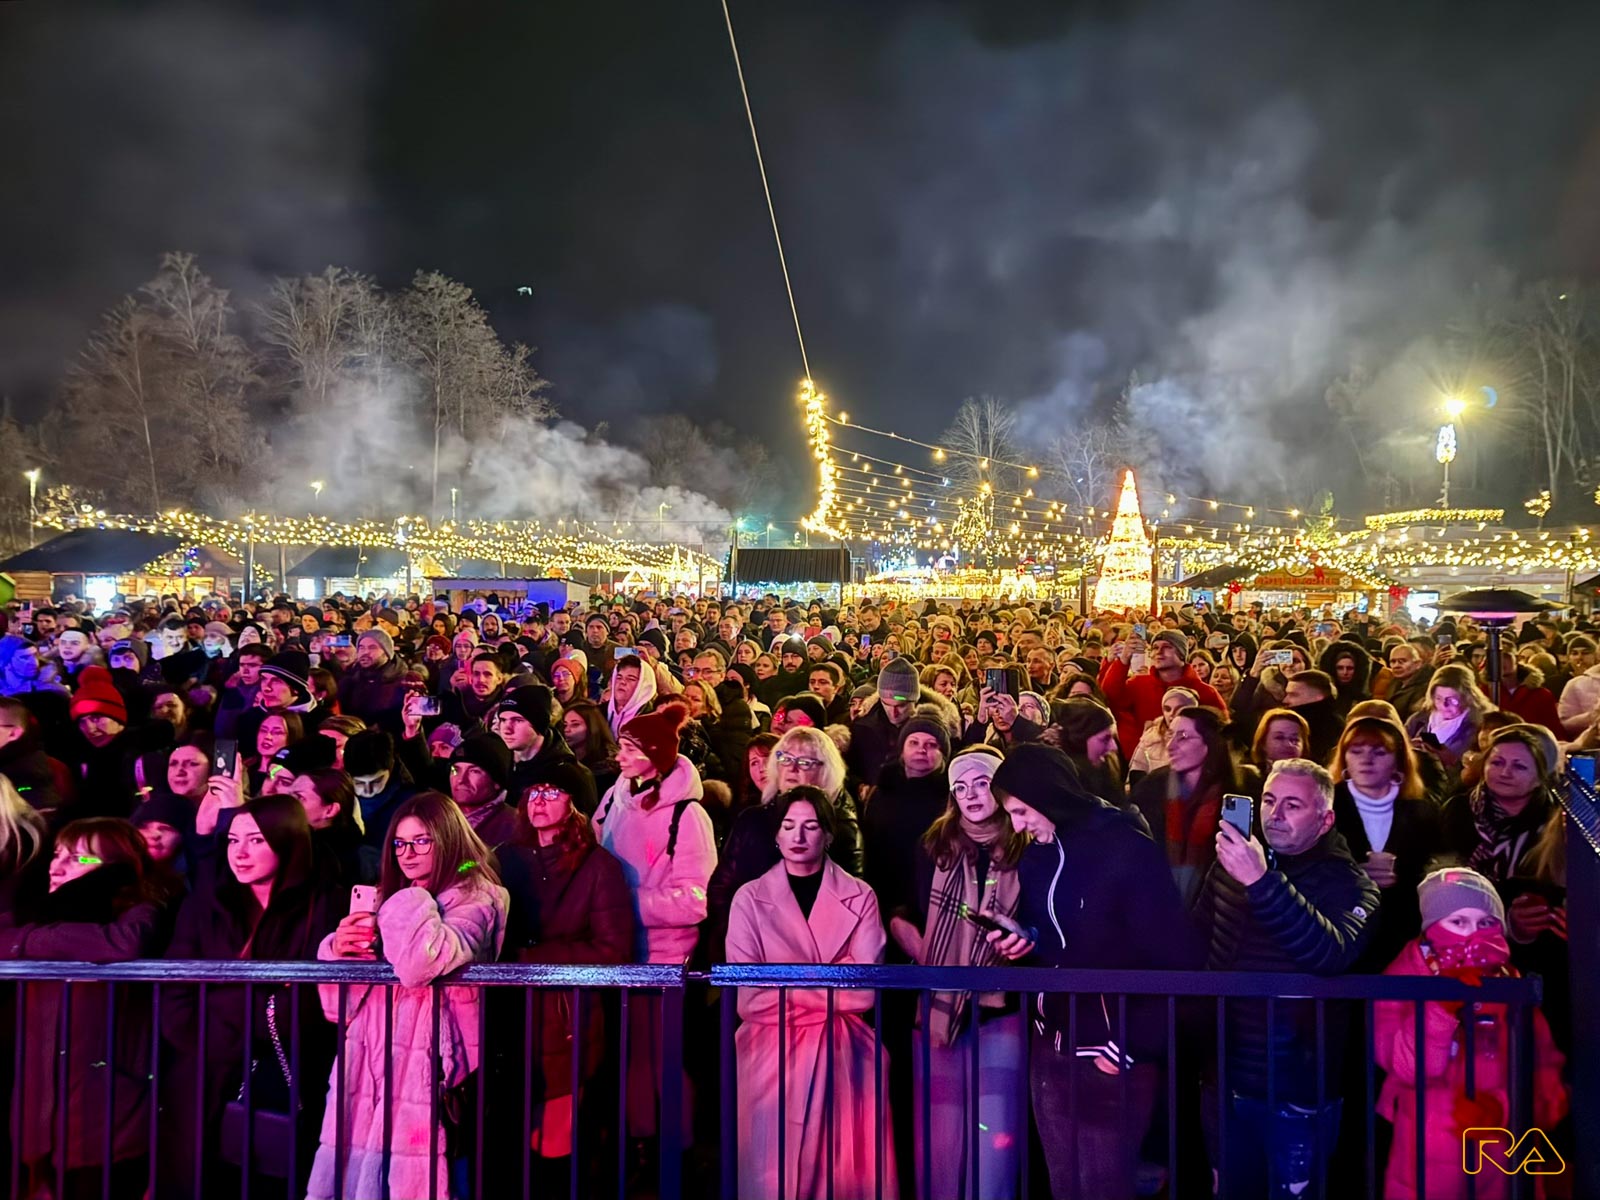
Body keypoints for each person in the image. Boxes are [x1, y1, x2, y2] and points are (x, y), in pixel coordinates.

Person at [989, 744, 1202, 1200]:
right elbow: (1055, 939)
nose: (1018, 825)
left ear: (1048, 795)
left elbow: (1177, 957)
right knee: (1065, 1185)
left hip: (1111, 1049)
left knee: (1103, 1187)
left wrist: (1129, 1045)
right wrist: (1024, 939)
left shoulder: (1124, 848)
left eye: (1022, 811)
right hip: (1052, 1046)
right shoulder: (1037, 858)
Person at [1193, 759, 1379, 1200]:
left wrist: (1261, 881)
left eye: (1292, 805)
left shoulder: (1351, 884)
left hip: (1297, 1087)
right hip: (1223, 1074)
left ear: (1325, 820)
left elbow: (1331, 953)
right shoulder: (1231, 864)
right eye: (1269, 800)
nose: (1274, 814)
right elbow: (1196, 940)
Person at [310, 792, 509, 1200]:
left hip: (428, 1072)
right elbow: (336, 1008)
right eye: (400, 843)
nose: (407, 853)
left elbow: (420, 964)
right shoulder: (393, 897)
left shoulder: (479, 896)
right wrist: (340, 949)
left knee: (424, 1182)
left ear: (447, 838)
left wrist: (410, 897)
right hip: (368, 1063)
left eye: (421, 841)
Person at [159, 794, 342, 1200]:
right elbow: (176, 984)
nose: (239, 853)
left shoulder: (325, 904)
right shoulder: (207, 900)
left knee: (275, 1175)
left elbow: (315, 1001)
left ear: (287, 840)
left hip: (290, 1073)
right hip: (206, 1069)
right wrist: (217, 1033)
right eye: (232, 840)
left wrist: (228, 1005)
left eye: (256, 840)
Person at [724, 787, 897, 1200]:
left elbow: (863, 995)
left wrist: (783, 985)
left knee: (841, 1175)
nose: (798, 836)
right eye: (788, 826)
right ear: (776, 835)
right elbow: (749, 1000)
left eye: (811, 826)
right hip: (770, 1054)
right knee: (773, 1174)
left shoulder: (861, 895)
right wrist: (832, 985)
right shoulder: (748, 899)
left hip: (844, 1052)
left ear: (829, 834)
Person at [1375, 867, 1567, 1200]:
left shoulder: (1511, 983)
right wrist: (1439, 1007)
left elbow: (1547, 1073)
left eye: (1486, 922)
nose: (1473, 934)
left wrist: (1504, 1110)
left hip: (1505, 1161)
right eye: (1458, 921)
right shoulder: (1404, 978)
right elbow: (1407, 1068)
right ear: (1431, 927)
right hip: (1426, 1163)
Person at [1, 817, 167, 1200]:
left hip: (109, 1114)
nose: (56, 867)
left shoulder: (139, 909)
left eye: (79, 858)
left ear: (115, 868)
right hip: (39, 1113)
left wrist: (30, 942)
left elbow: (123, 943)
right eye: (57, 854)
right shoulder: (37, 910)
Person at [888, 747, 1026, 1200]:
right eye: (960, 787)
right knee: (940, 1134)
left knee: (995, 1135)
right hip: (939, 1004)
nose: (970, 794)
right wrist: (908, 935)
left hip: (1000, 1007)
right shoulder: (934, 846)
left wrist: (1022, 939)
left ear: (1000, 789)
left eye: (981, 783)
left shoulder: (1025, 845)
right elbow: (907, 907)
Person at [496, 762, 634, 1179]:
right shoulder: (503, 856)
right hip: (509, 1011)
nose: (539, 801)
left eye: (552, 792)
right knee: (508, 1130)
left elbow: (613, 949)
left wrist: (530, 959)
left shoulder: (597, 866)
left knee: (559, 1135)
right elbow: (468, 872)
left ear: (574, 803)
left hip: (566, 1015)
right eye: (534, 792)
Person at [592, 703, 716, 1147]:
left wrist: (622, 905)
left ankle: (674, 1149)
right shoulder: (615, 798)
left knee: (663, 1058)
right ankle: (639, 1142)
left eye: (631, 748)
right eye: (621, 746)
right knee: (629, 1057)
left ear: (656, 755)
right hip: (619, 951)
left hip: (664, 961)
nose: (620, 755)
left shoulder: (688, 816)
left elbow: (695, 898)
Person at [703, 725, 864, 963]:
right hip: (748, 951)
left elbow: (849, 902)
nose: (792, 768)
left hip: (814, 959)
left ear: (825, 771)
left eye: (805, 762)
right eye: (785, 758)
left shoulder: (840, 826)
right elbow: (722, 886)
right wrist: (739, 931)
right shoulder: (752, 819)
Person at [1129, 705, 1250, 905]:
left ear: (1210, 742)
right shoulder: (1151, 788)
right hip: (1158, 904)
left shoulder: (1240, 794)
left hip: (1216, 907)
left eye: (1183, 737)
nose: (1171, 745)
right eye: (1170, 735)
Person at [860, 708, 953, 928]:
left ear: (943, 754)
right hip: (880, 896)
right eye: (914, 742)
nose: (922, 749)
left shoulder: (949, 799)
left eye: (931, 744)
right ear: (902, 749)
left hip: (928, 902)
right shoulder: (881, 791)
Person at [1440, 724, 1558, 884]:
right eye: (1497, 763)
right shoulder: (1458, 809)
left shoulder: (1553, 819)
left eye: (1519, 766)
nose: (1505, 773)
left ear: (1540, 778)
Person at [1404, 663, 1491, 778]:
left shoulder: (1479, 726)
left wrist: (1452, 761)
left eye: (1451, 700)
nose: (1444, 705)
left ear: (1468, 698)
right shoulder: (1419, 720)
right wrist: (1408, 749)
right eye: (1438, 698)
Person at [1128, 685, 1198, 782]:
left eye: (1179, 709)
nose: (1171, 714)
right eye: (1167, 709)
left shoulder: (1201, 738)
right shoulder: (1150, 737)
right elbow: (1137, 769)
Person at [1248, 707, 1310, 776]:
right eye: (1279, 737)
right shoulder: (1249, 776)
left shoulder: (1314, 777)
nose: (1289, 744)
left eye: (1294, 739)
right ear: (1263, 743)